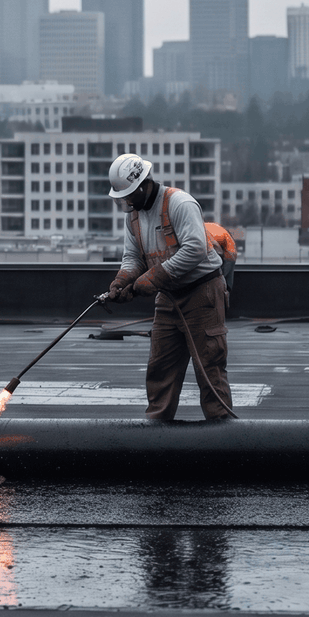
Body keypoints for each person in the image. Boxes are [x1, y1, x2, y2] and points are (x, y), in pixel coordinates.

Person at [102, 154, 234, 422]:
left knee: (209, 368)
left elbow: (195, 249)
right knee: (161, 367)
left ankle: (224, 434)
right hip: (169, 297)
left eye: (129, 194)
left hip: (202, 294)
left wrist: (151, 280)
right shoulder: (135, 217)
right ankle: (157, 431)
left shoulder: (179, 203)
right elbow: (133, 258)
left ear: (143, 185)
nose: (126, 201)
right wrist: (122, 281)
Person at [203, 221, 238, 298]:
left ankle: (222, 305)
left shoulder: (202, 233)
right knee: (225, 283)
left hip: (228, 253)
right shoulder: (204, 227)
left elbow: (218, 250)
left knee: (223, 283)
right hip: (229, 248)